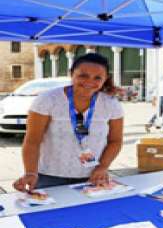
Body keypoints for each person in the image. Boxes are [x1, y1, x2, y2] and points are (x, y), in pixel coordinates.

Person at [13, 53, 124, 191]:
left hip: (93, 176)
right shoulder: (48, 100)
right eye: (83, 75)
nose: (89, 82)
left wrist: (103, 167)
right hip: (49, 176)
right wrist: (30, 172)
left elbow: (116, 141)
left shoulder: (111, 104)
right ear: (71, 73)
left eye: (97, 78)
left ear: (105, 79)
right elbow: (32, 141)